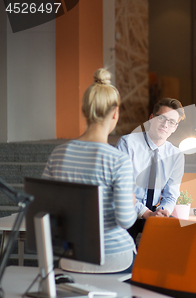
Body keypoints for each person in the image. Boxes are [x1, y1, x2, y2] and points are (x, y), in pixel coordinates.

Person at [42, 68, 136, 273]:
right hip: (115, 259)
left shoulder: (58, 154)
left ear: (85, 111)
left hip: (71, 258)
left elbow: (45, 209)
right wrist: (131, 200)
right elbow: (126, 220)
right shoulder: (118, 160)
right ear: (115, 113)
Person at [116, 98, 186, 242]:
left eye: (171, 122)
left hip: (155, 213)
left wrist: (163, 211)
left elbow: (171, 195)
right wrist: (146, 213)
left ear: (175, 127)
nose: (166, 125)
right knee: (128, 255)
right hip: (127, 211)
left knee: (178, 240)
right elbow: (121, 190)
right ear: (151, 118)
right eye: (162, 118)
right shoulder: (127, 143)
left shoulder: (176, 155)